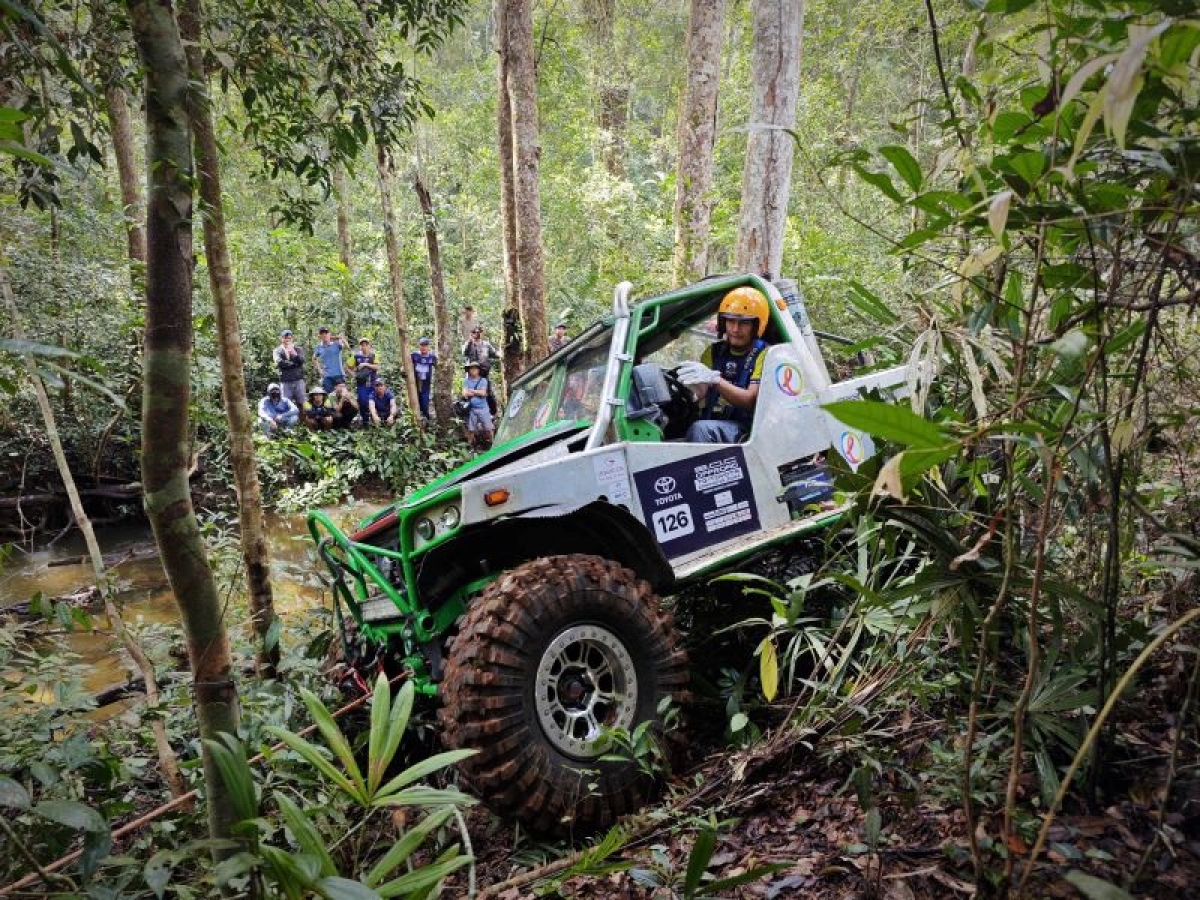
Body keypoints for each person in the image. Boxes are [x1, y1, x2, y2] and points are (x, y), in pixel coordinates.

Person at [676, 286, 772, 443]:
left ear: (756, 325)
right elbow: (701, 393)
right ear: (723, 322)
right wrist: (688, 393)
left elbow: (750, 401)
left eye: (744, 323)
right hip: (714, 423)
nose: (735, 329)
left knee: (701, 429)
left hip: (747, 430)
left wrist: (716, 380)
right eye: (731, 321)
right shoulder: (713, 352)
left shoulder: (765, 354)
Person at [462, 360, 493, 451]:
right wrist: (477, 392)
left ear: (479, 370)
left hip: (483, 408)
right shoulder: (466, 381)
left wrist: (471, 391)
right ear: (469, 370)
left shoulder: (483, 380)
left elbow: (483, 393)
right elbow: (464, 394)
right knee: (471, 429)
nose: (473, 370)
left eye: (475, 369)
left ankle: (492, 444)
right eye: (471, 369)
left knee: (488, 428)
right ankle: (470, 446)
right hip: (472, 409)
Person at [272, 329, 306, 409]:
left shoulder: (298, 349)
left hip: (298, 380)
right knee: (285, 405)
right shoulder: (277, 350)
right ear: (281, 338)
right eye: (285, 338)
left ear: (292, 338)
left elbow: (302, 361)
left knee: (302, 404)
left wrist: (294, 354)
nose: (287, 340)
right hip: (285, 382)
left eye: (289, 338)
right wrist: (295, 364)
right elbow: (279, 363)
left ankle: (302, 417)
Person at [351, 337, 380, 425]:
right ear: (360, 346)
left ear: (369, 346)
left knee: (374, 400)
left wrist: (365, 364)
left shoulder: (373, 355)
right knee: (363, 401)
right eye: (362, 345)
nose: (364, 347)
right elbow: (347, 367)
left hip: (372, 383)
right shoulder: (356, 356)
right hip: (361, 384)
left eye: (366, 345)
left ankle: (376, 419)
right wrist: (354, 375)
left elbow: (377, 367)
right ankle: (365, 421)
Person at [313, 326, 349, 394]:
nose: (324, 335)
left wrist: (341, 338)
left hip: (339, 375)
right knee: (327, 396)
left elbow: (347, 347)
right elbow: (314, 359)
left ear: (329, 334)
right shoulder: (319, 347)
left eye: (326, 333)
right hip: (327, 376)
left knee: (343, 395)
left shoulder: (336, 344)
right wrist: (320, 370)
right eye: (322, 334)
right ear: (320, 336)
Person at [410, 337, 437, 421]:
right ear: (419, 346)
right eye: (422, 345)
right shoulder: (414, 355)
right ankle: (416, 420)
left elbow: (439, 367)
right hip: (414, 383)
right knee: (415, 402)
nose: (424, 347)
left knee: (425, 403)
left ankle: (426, 420)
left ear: (428, 347)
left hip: (426, 385)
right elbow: (406, 364)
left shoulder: (432, 357)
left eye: (425, 345)